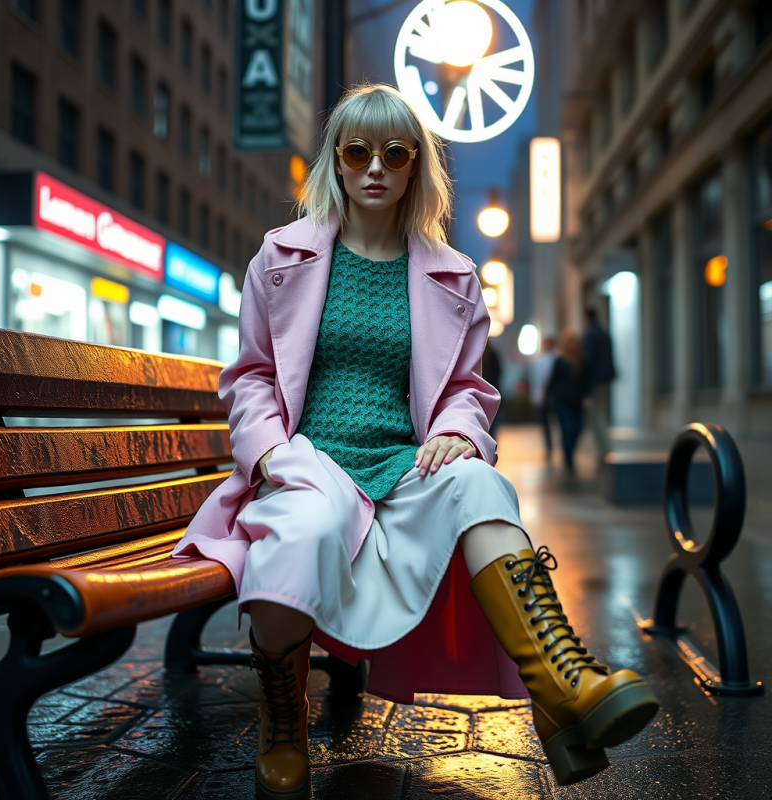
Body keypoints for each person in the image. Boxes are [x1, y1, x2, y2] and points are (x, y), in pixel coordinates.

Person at [171, 84, 657, 797]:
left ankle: (563, 687)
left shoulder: (452, 275)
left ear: (413, 167)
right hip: (306, 464)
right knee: (301, 529)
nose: (374, 167)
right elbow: (250, 375)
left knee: (483, 485)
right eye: (357, 150)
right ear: (336, 162)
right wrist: (269, 451)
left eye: (393, 153)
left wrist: (460, 432)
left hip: (404, 469)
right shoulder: (280, 257)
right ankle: (284, 721)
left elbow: (466, 386)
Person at [546, 330, 593, 472]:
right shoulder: (560, 361)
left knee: (578, 428)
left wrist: (588, 396)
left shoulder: (583, 360)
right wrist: (548, 396)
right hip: (562, 400)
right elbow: (553, 380)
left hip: (577, 400)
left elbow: (587, 380)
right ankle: (568, 457)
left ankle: (570, 451)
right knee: (567, 428)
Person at [582, 307, 616, 462]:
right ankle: (605, 449)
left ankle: (604, 450)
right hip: (606, 379)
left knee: (596, 416)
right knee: (603, 413)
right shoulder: (605, 334)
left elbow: (587, 361)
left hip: (595, 381)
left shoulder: (590, 335)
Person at [529, 335, 557, 461]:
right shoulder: (540, 361)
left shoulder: (556, 359)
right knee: (545, 423)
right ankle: (549, 446)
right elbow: (536, 380)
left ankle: (554, 445)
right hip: (542, 396)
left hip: (554, 396)